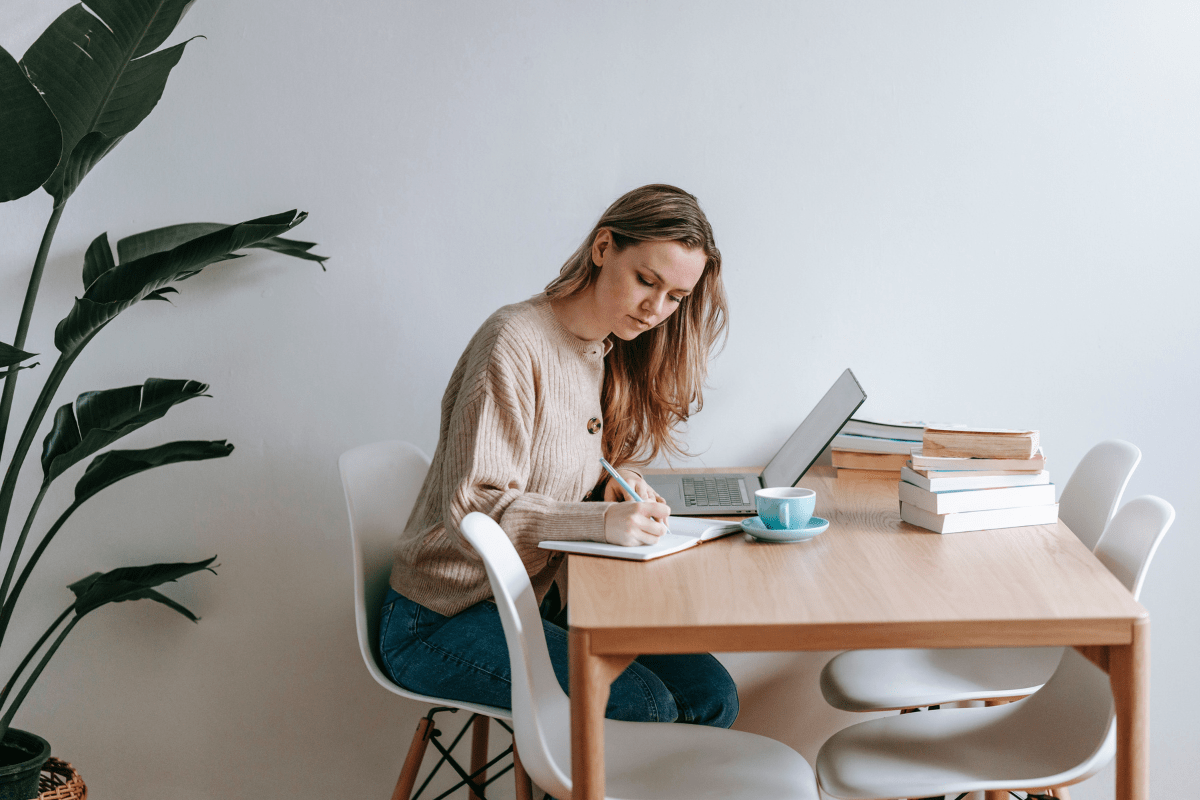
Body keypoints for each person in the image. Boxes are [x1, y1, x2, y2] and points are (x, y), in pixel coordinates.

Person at [379, 184, 736, 730]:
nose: (656, 309)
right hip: (441, 617)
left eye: (676, 297)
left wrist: (610, 488)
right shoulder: (514, 342)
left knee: (711, 694)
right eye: (647, 280)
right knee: (643, 705)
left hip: (530, 601)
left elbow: (554, 465)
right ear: (603, 248)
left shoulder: (600, 349)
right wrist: (599, 521)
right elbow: (473, 507)